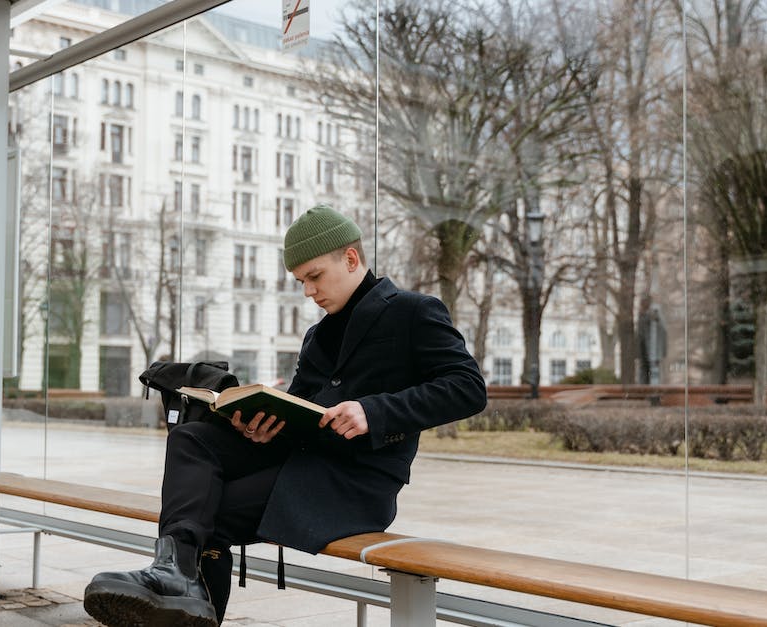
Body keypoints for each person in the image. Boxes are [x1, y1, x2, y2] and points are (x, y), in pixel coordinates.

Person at [84, 205, 487, 626]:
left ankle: (179, 585)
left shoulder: (413, 311)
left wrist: (374, 410)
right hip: (301, 463)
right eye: (301, 282)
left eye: (314, 277)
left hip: (354, 483)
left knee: (208, 512)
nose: (308, 292)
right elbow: (301, 408)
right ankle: (174, 574)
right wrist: (262, 425)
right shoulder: (317, 335)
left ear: (350, 259)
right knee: (192, 437)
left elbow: (468, 388)